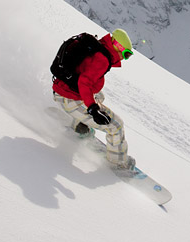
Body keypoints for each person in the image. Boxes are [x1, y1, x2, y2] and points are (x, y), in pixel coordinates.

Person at [52, 28, 135, 170]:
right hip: (70, 98)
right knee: (116, 126)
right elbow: (84, 83)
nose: (125, 58)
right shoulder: (102, 59)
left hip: (63, 90)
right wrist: (93, 109)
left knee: (99, 96)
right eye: (126, 54)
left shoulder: (99, 47)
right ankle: (118, 164)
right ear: (118, 47)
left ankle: (79, 127)